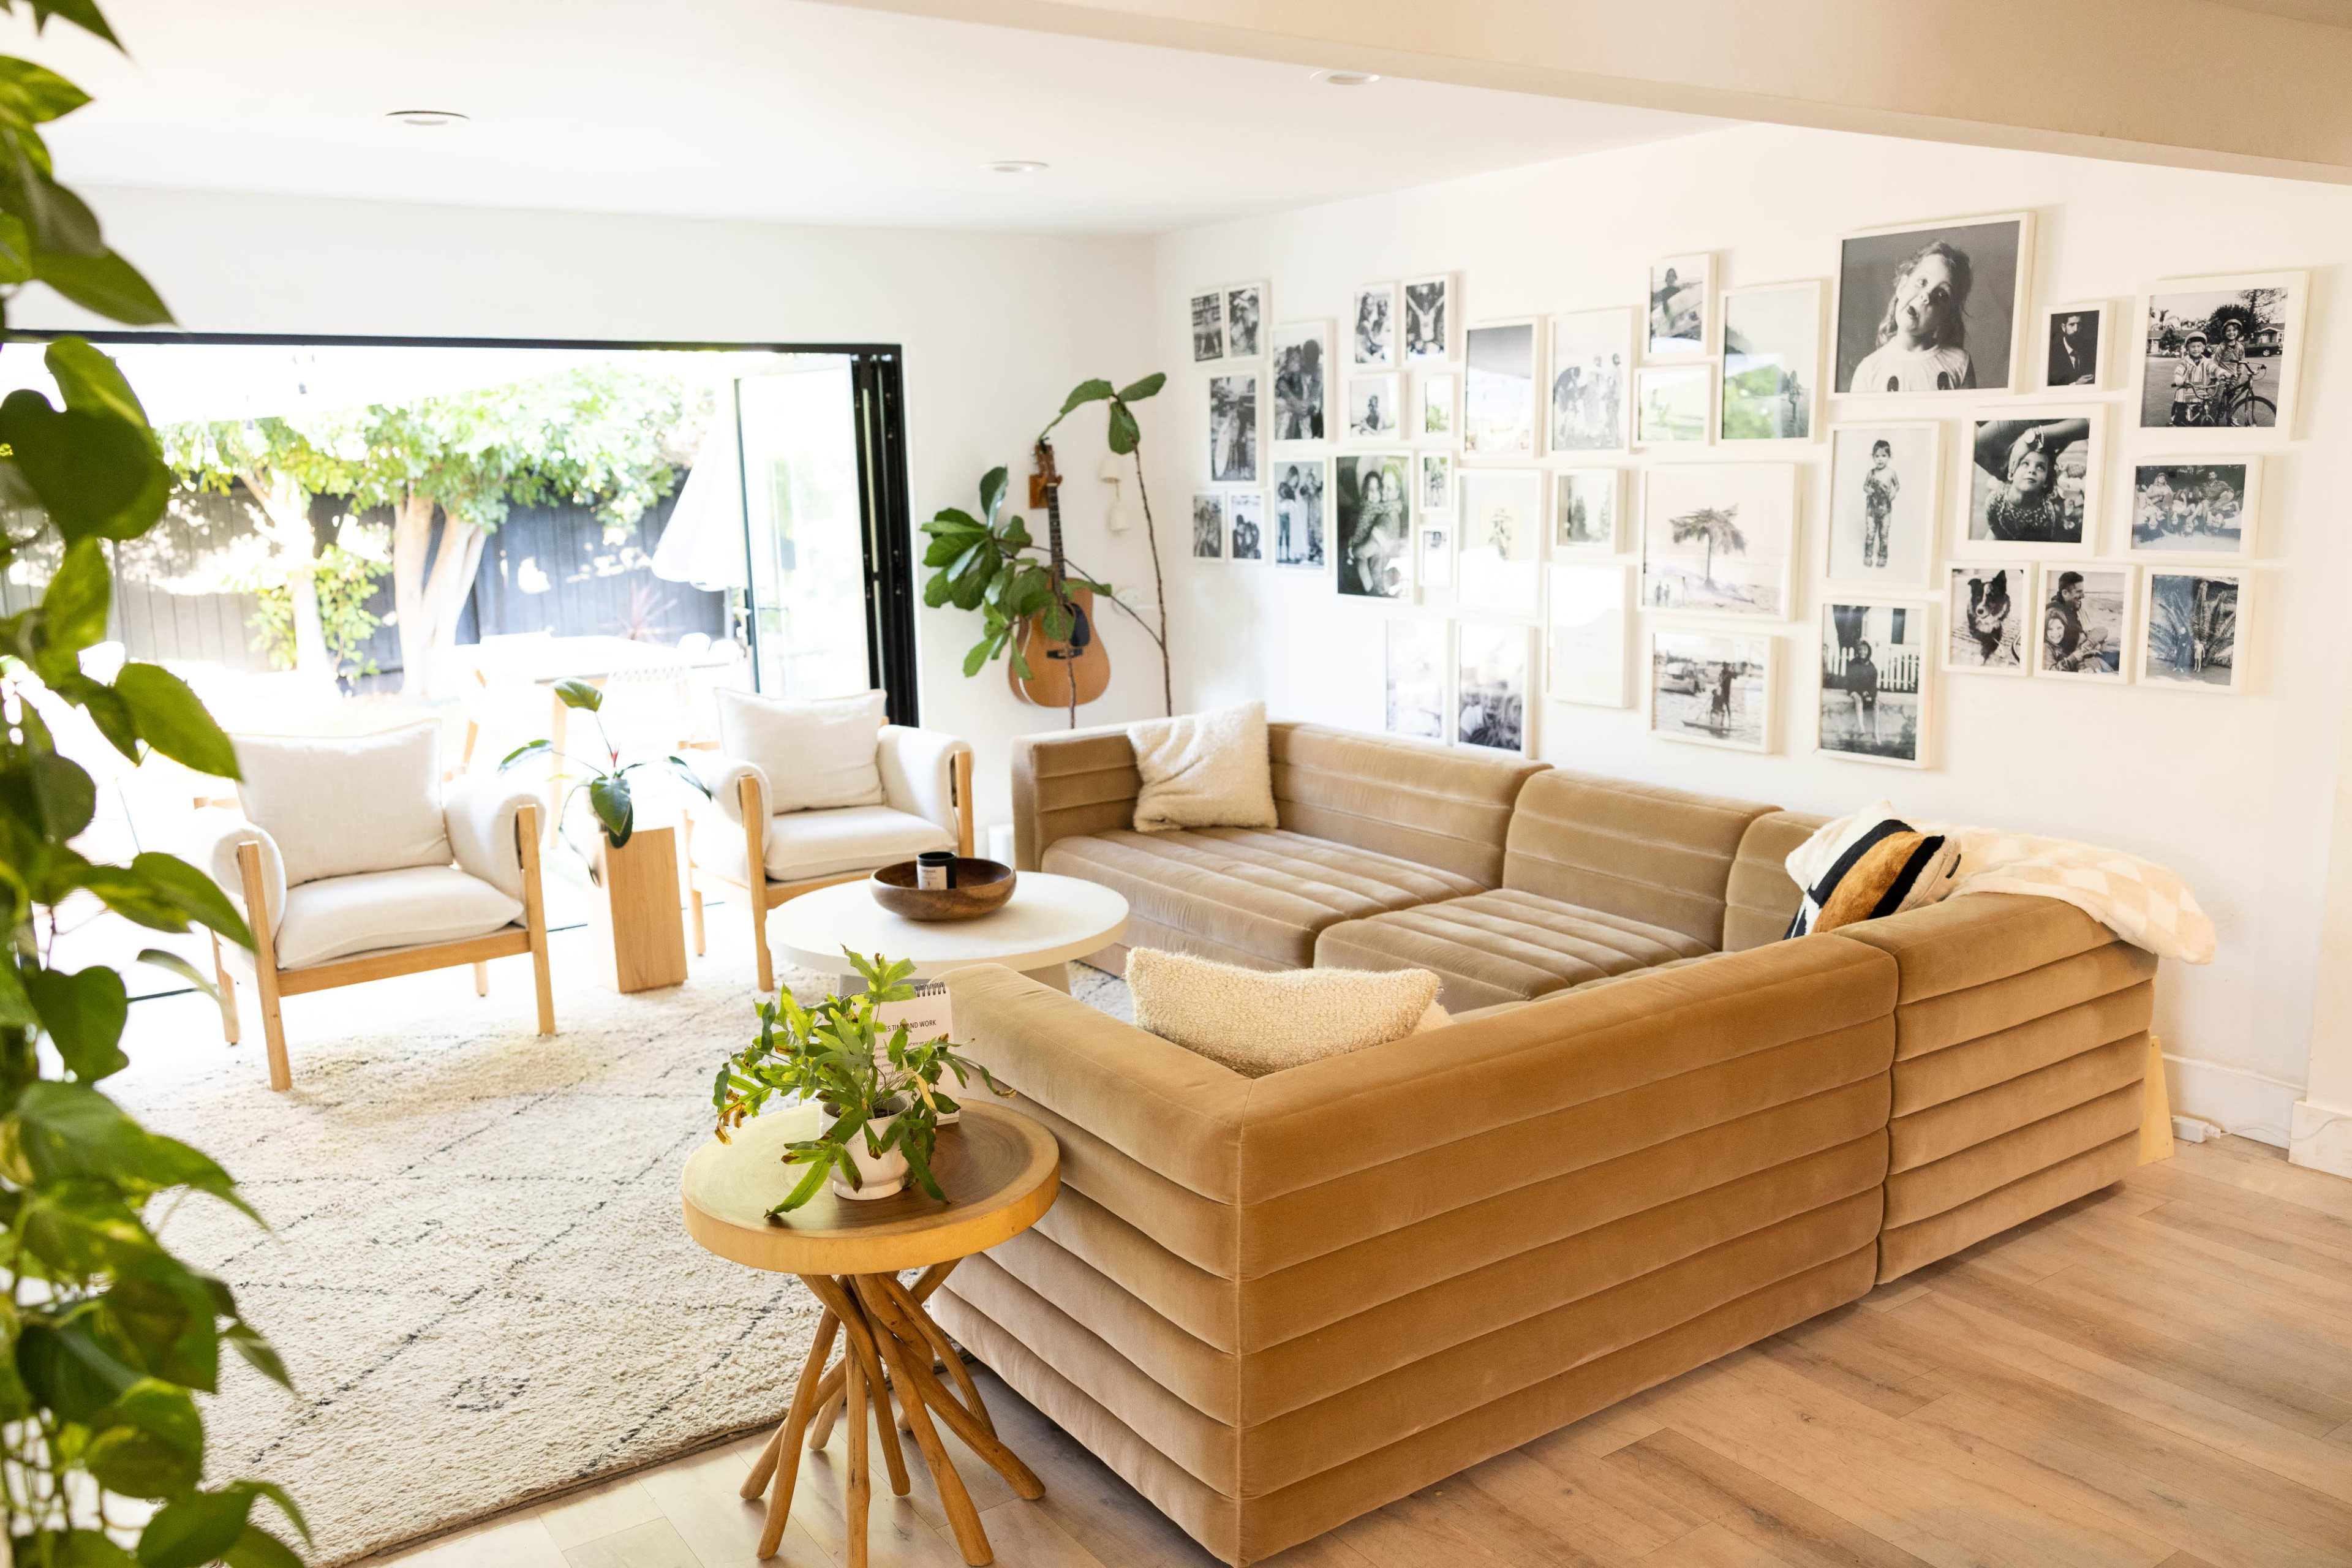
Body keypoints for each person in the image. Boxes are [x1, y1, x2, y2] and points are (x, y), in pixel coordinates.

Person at [1848, 241, 1977, 393]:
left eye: (1942, 295)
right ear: (1902, 286)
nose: (1926, 296)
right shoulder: (1869, 369)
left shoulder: (1959, 363)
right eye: (1922, 282)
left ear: (1947, 314)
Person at [1972, 417, 2089, 544]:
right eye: (2025, 464)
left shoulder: (2050, 512)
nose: (2032, 470)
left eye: (2040, 467)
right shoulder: (1995, 500)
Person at [2043, 570, 2110, 672]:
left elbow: (2098, 632)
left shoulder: (2071, 608)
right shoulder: (2054, 615)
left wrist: (2087, 643)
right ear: (2065, 593)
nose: (2083, 596)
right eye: (2079, 592)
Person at [1861, 437, 1900, 570]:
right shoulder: (1871, 473)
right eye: (1877, 456)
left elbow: (1897, 486)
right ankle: (1868, 555)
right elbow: (1865, 486)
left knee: (1884, 534)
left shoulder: (1891, 473)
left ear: (1889, 456)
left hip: (1886, 510)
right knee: (1871, 533)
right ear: (1873, 457)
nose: (1880, 459)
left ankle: (1883, 556)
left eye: (1884, 456)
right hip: (1872, 509)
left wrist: (1893, 492)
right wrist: (1868, 490)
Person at [2171, 330, 2216, 425]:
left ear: (2203, 348)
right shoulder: (2185, 361)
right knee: (2181, 410)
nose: (2196, 349)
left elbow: (2213, 368)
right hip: (2186, 388)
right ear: (2188, 348)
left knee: (2200, 411)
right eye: (2193, 347)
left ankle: (2198, 423)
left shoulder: (2206, 361)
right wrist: (2178, 378)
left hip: (2200, 389)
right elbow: (2179, 369)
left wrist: (2222, 374)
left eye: (2199, 346)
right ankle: (2177, 422)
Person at [1845, 639, 1880, 746]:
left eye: (1865, 650)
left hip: (1867, 692)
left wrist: (1871, 695)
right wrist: (1863, 693)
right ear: (1858, 651)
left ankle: (1876, 732)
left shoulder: (1871, 666)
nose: (1863, 652)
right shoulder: (1853, 664)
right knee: (1858, 700)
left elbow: (1874, 683)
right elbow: (1852, 681)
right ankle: (1861, 728)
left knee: (1876, 703)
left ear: (1868, 651)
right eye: (1860, 650)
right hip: (1854, 689)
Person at [2049, 311, 2096, 385]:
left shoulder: (2090, 349)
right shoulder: (2051, 353)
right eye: (2072, 325)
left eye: (2079, 325)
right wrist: (2076, 384)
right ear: (2064, 327)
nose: (2076, 329)